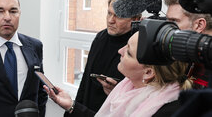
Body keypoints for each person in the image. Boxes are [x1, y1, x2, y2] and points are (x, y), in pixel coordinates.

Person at [45, 32, 193, 117]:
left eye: (128, 52)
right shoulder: (126, 86)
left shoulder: (167, 112)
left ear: (148, 72)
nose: (120, 51)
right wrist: (71, 105)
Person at [65, 0, 142, 116]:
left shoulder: (138, 45)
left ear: (136, 20)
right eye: (109, 13)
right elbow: (85, 81)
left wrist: (118, 91)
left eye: (119, 16)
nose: (111, 20)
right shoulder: (100, 37)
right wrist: (72, 111)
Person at [164, 0, 212, 88]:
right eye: (166, 21)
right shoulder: (187, 54)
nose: (166, 28)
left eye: (173, 21)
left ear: (199, 25)